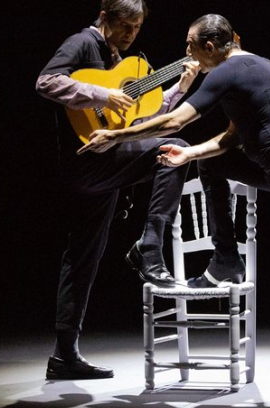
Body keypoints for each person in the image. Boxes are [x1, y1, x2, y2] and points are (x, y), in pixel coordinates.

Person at [79, 14, 270, 393]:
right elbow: (233, 137)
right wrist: (190, 156)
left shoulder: (224, 73)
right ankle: (226, 259)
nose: (186, 53)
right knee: (212, 162)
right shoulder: (256, 65)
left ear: (212, 48)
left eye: (190, 45)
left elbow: (174, 123)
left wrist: (118, 136)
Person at [36, 0, 200, 380]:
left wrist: (179, 88)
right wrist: (102, 95)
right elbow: (45, 82)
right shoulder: (82, 43)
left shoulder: (123, 64)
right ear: (105, 17)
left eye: (137, 28)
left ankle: (64, 355)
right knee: (172, 150)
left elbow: (144, 121)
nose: (130, 35)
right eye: (125, 25)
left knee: (83, 256)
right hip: (87, 159)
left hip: (107, 161)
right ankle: (149, 246)